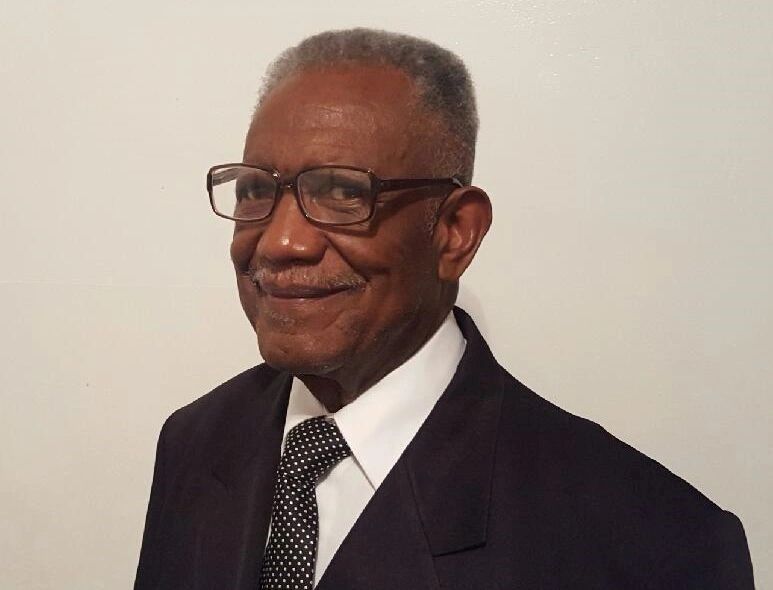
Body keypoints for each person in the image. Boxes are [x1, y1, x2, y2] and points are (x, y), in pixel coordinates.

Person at [134, 28, 755, 589]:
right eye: (257, 192)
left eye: (345, 194)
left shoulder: (653, 545)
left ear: (455, 232)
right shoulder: (197, 441)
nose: (280, 241)